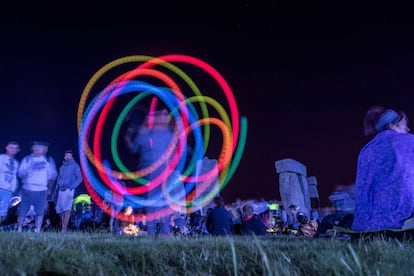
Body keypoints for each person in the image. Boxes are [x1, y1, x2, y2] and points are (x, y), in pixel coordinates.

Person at [352, 106, 414, 231]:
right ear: (392, 126)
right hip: (401, 217)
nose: (408, 129)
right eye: (404, 125)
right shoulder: (406, 141)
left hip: (365, 223)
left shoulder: (366, 149)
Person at [124, 108, 177, 236]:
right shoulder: (147, 133)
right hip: (150, 170)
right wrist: (127, 137)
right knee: (154, 200)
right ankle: (155, 230)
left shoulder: (166, 134)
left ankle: (163, 231)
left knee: (160, 200)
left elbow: (175, 151)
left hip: (161, 171)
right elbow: (134, 148)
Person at [16, 141, 57, 232]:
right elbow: (20, 173)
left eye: (40, 147)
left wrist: (49, 188)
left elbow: (52, 175)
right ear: (32, 148)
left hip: (42, 189)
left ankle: (37, 230)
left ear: (44, 149)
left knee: (40, 211)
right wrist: (25, 179)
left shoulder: (48, 160)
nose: (37, 148)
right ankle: (19, 228)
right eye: (35, 146)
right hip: (28, 189)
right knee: (23, 211)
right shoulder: (27, 159)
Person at [53, 150, 83, 232]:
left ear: (72, 157)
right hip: (60, 190)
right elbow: (58, 179)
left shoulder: (75, 166)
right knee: (60, 210)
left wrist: (72, 187)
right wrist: (55, 192)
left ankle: (64, 229)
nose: (68, 157)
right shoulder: (62, 167)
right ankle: (63, 227)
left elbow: (80, 178)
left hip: (69, 190)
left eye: (69, 155)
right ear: (64, 156)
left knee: (67, 209)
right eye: (66, 155)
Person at [0, 141, 20, 224]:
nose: (13, 150)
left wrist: (13, 188)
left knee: (3, 210)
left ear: (18, 150)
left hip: (8, 190)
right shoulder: (1, 158)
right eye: (11, 147)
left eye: (15, 148)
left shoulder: (16, 163)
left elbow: (16, 176)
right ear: (6, 148)